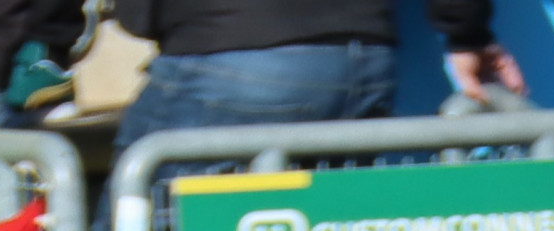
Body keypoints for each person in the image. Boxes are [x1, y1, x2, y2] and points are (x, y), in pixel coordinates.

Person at [115, 0, 523, 161]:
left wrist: (55, 48)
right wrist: (467, 32)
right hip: (366, 59)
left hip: (230, 56)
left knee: (143, 230)